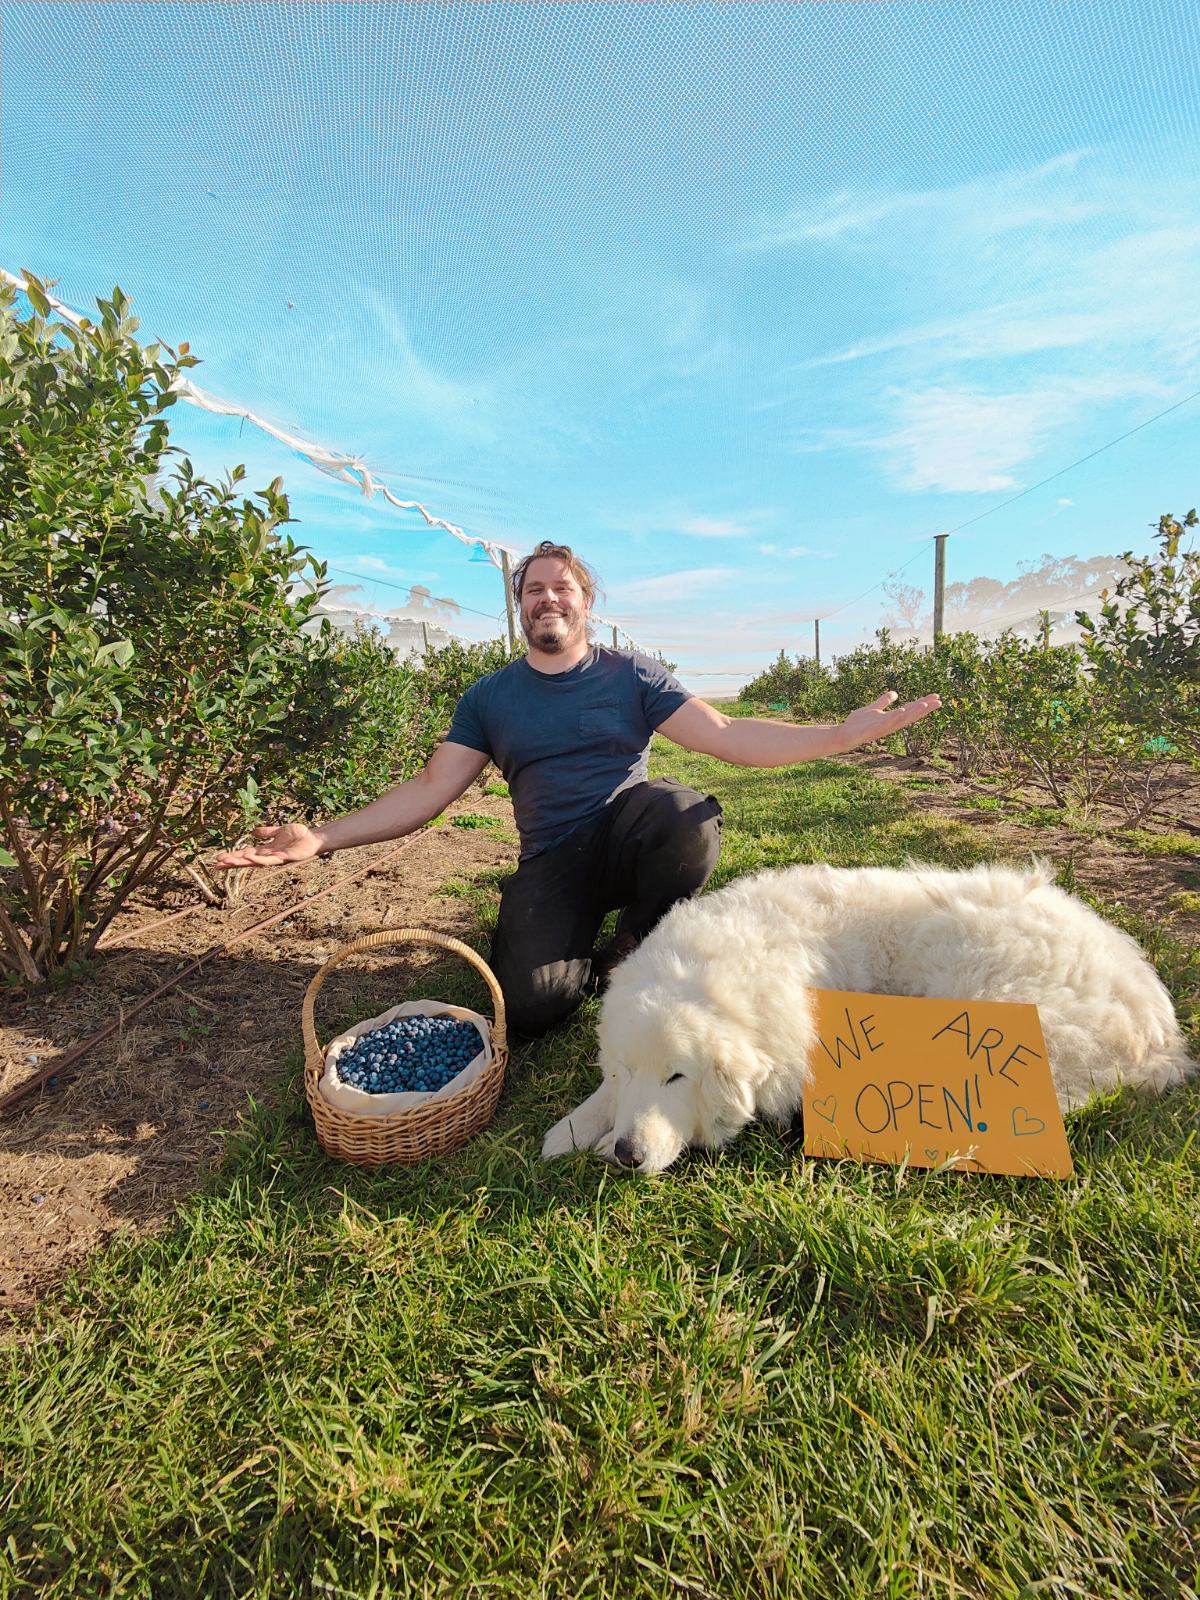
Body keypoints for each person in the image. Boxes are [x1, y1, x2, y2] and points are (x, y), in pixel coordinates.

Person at [216, 542, 941, 1037]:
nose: (548, 598)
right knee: (533, 1010)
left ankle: (635, 938)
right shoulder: (489, 698)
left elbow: (725, 735)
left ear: (586, 602)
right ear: (519, 607)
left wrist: (833, 737)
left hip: (627, 831)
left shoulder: (633, 676)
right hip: (552, 859)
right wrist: (325, 835)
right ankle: (570, 952)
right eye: (534, 589)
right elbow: (433, 788)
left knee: (685, 816)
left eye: (562, 586)